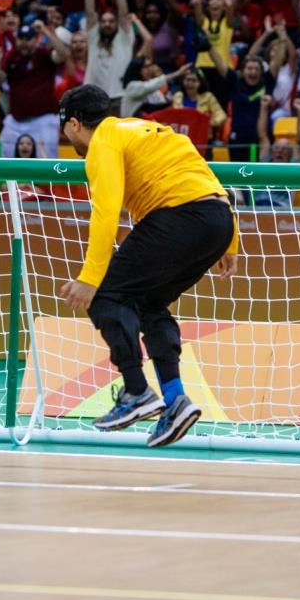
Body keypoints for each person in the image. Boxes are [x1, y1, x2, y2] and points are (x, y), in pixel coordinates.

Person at [57, 84, 238, 448]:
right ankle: (175, 401)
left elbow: (105, 210)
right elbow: (203, 171)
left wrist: (91, 279)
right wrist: (230, 240)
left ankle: (136, 391)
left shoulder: (104, 140)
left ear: (74, 124)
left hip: (178, 215)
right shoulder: (145, 128)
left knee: (106, 297)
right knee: (149, 304)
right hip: (217, 218)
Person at [0, 22, 70, 157]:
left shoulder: (43, 55)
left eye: (28, 39)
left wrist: (46, 32)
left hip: (43, 120)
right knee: (6, 160)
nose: (24, 42)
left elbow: (63, 55)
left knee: (47, 163)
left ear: (36, 40)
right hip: (16, 120)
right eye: (21, 38)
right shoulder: (11, 57)